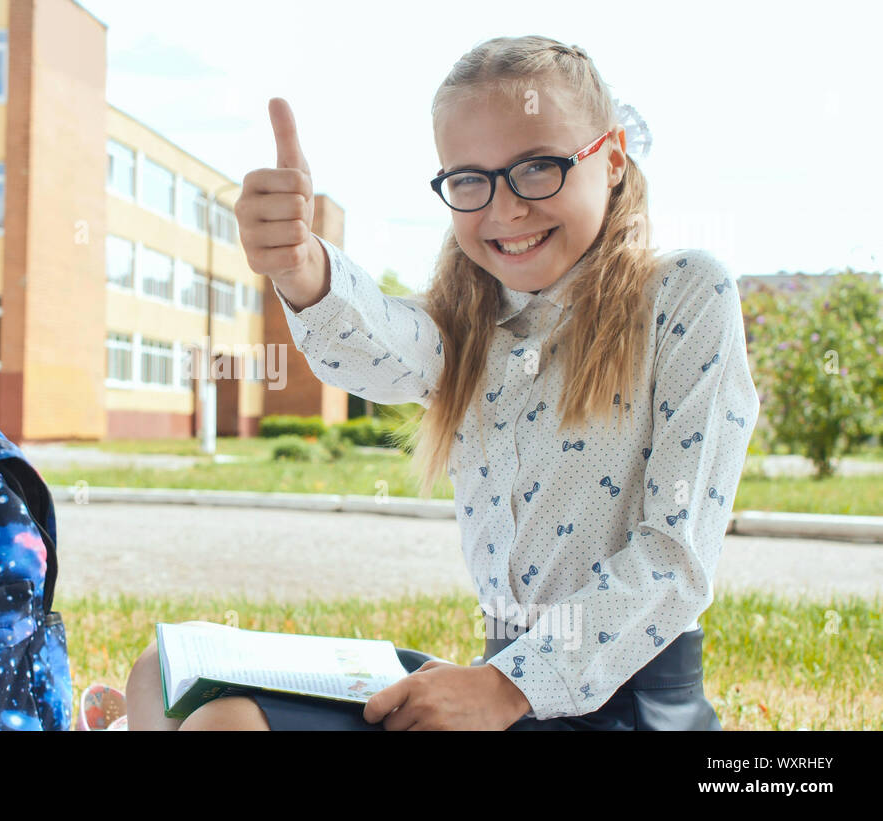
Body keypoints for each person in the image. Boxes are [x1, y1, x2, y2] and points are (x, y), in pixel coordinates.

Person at [124, 35, 759, 730]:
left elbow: (675, 555)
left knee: (228, 724)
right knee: (160, 676)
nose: (506, 209)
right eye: (470, 181)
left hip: (624, 706)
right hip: (492, 686)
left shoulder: (686, 293)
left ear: (609, 160)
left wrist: (508, 687)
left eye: (539, 167)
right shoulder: (469, 323)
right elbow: (377, 344)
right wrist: (302, 267)